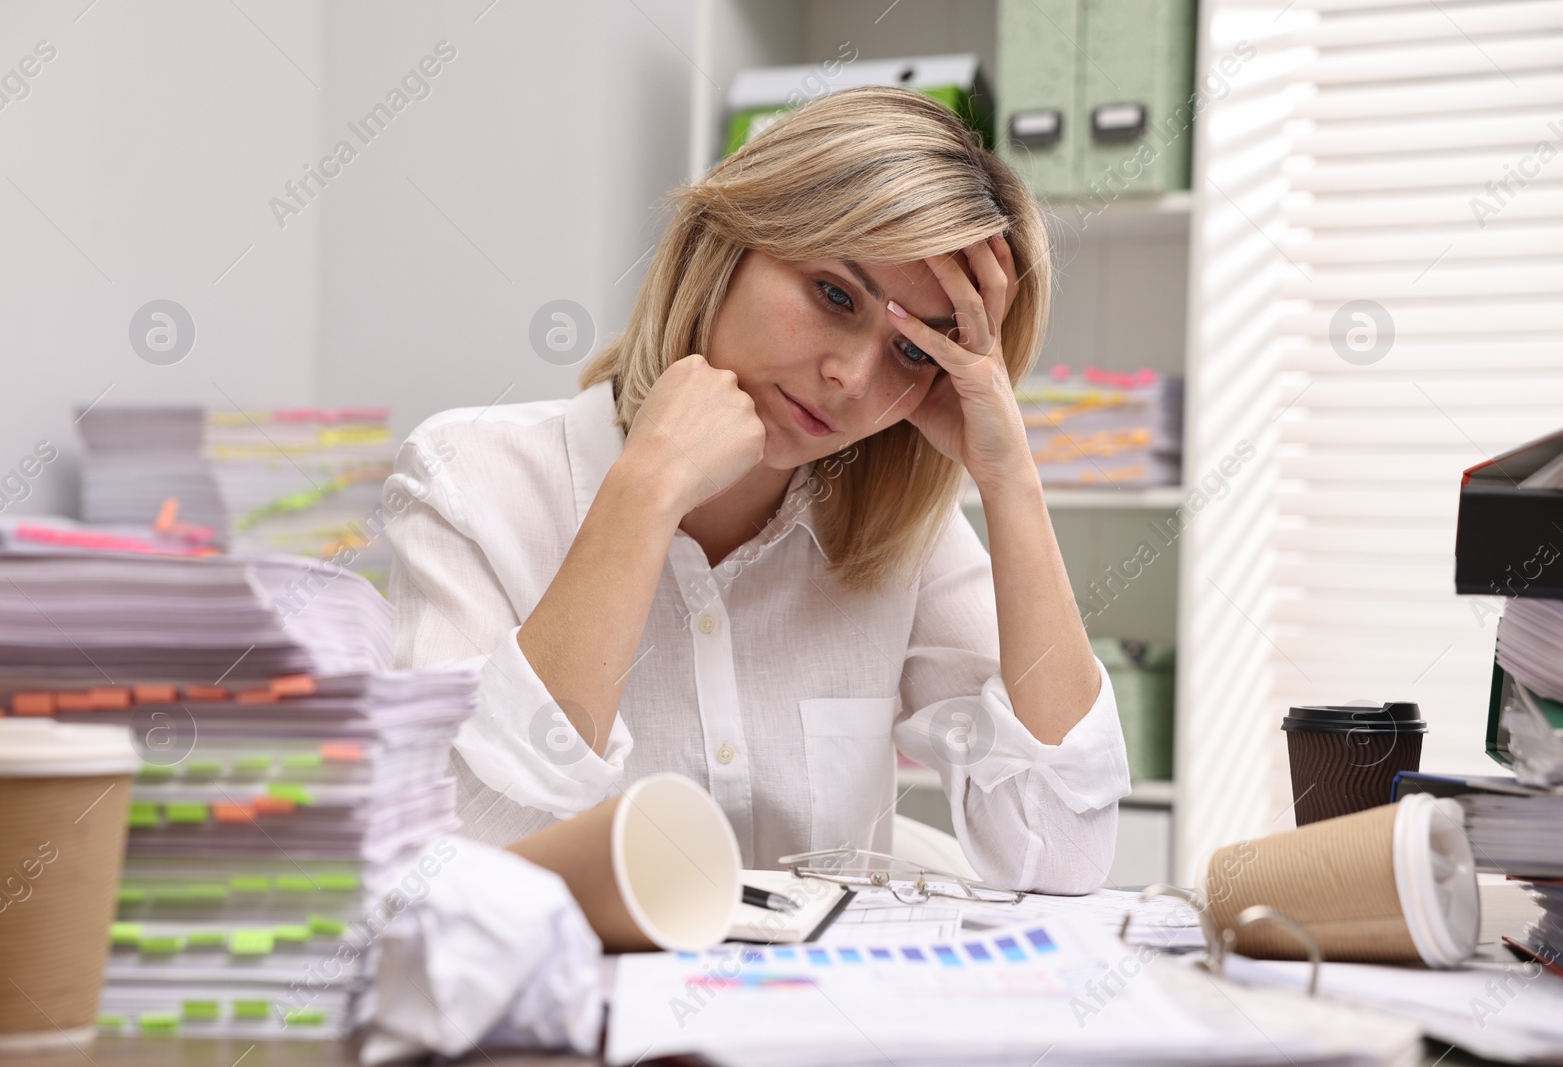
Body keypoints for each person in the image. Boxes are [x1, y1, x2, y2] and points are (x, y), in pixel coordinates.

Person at [385, 85, 1129, 893]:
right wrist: (643, 496)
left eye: (914, 353)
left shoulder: (904, 536)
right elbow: (456, 852)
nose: (851, 377)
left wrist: (1008, 477)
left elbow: (1060, 852)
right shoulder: (468, 481)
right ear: (725, 244)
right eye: (835, 295)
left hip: (824, 1012)